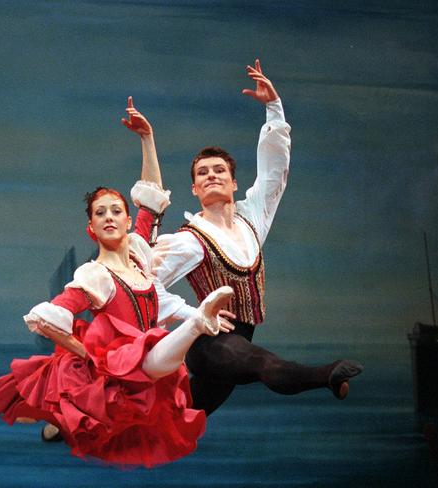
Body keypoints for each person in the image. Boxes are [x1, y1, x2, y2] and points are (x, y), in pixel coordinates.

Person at [0, 100, 235, 468]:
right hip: (117, 368)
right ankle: (198, 322)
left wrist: (147, 138)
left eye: (117, 211)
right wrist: (88, 356)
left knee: (153, 355)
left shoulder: (139, 254)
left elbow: (151, 197)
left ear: (128, 222)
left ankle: (57, 424)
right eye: (101, 213)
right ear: (91, 228)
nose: (110, 217)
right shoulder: (94, 276)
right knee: (154, 345)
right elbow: (51, 318)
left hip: (147, 366)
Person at [129, 59, 363, 415]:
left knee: (176, 417)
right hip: (210, 346)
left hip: (239, 347)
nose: (211, 176)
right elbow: (141, 283)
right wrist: (193, 314)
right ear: (193, 189)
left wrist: (274, 108)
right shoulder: (190, 240)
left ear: (234, 183)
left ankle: (77, 424)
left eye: (219, 170)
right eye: (202, 173)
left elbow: (274, 174)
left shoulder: (251, 219)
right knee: (266, 365)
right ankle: (326, 374)